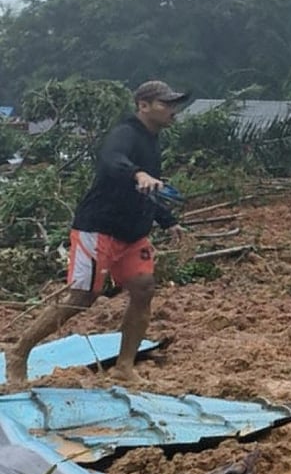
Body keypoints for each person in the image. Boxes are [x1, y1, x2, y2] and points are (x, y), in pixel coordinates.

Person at [5, 80, 189, 385]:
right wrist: (137, 172)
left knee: (144, 290)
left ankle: (124, 367)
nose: (172, 110)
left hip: (132, 234)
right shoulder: (125, 134)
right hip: (98, 228)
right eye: (165, 104)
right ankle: (19, 353)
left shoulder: (153, 140)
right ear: (143, 106)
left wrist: (169, 221)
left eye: (173, 104)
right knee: (82, 297)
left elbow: (146, 191)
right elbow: (111, 162)